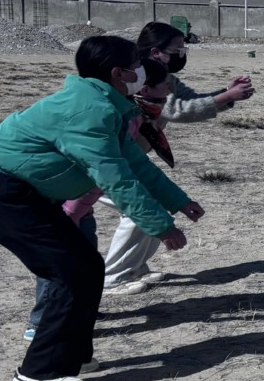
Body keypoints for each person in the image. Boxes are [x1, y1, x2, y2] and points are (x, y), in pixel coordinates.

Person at [0, 36, 201, 381]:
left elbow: (135, 162)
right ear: (118, 73)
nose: (141, 69)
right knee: (70, 270)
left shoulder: (108, 104)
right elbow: (115, 177)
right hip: (3, 192)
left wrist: (179, 200)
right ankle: (37, 373)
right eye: (135, 63)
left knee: (85, 268)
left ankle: (73, 356)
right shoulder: (91, 110)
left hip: (27, 191)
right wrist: (160, 226)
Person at [96, 21, 257, 296]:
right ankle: (113, 276)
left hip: (130, 158)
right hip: (106, 160)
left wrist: (225, 95)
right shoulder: (136, 78)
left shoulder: (163, 75)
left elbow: (191, 101)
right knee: (140, 212)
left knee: (153, 206)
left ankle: (134, 267)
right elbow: (175, 109)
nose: (181, 54)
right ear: (156, 51)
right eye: (176, 49)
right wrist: (226, 97)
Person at [23, 59, 174, 340]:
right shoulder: (104, 111)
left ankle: (80, 308)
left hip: (75, 195)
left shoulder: (124, 109)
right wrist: (164, 226)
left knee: (84, 256)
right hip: (58, 194)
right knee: (59, 261)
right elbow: (105, 171)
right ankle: (41, 323)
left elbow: (133, 161)